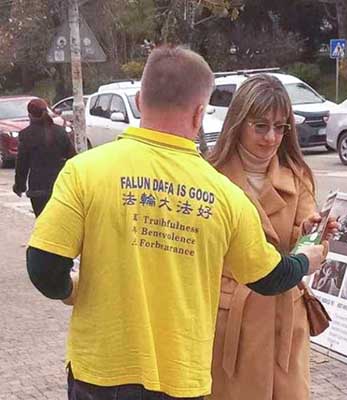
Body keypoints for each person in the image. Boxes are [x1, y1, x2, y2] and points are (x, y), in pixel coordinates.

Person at [25, 46, 327, 400]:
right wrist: (307, 259)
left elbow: (43, 267)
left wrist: (72, 290)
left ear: (139, 101)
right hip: (181, 380)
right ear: (200, 113)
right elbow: (271, 277)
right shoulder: (223, 193)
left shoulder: (85, 170)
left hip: (99, 374)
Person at [206, 74, 338, 400]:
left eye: (281, 127)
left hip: (285, 318)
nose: (271, 138)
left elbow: (308, 236)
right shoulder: (210, 176)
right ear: (238, 123)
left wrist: (312, 233)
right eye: (260, 126)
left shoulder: (296, 175)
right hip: (229, 322)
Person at [13, 98, 75, 217]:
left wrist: (19, 186)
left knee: (42, 223)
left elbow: (22, 165)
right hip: (60, 186)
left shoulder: (26, 135)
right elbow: (72, 158)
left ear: (30, 115)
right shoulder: (60, 132)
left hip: (38, 190)